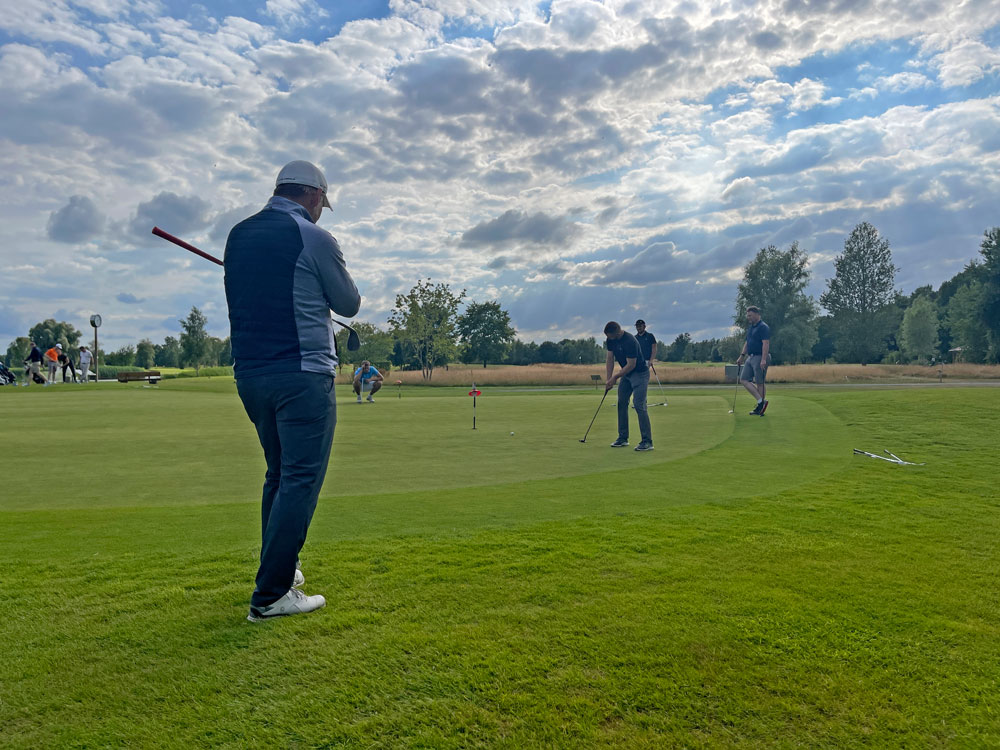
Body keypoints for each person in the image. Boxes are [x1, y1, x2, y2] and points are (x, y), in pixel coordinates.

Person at [224, 160, 361, 623]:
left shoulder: (238, 235)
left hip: (251, 376)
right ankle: (271, 594)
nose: (322, 210)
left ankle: (282, 569)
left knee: (278, 475)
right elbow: (349, 303)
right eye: (323, 203)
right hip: (303, 374)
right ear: (315, 196)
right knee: (300, 479)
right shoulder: (315, 237)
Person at [604, 321, 653, 451]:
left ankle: (647, 441)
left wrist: (615, 377)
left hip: (640, 373)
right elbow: (610, 359)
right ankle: (623, 438)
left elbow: (631, 364)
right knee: (621, 402)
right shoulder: (610, 340)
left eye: (610, 336)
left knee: (639, 404)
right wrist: (608, 379)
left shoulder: (630, 341)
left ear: (617, 332)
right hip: (626, 375)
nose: (609, 339)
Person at [736, 305, 771, 415]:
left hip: (760, 357)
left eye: (750, 315)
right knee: (743, 379)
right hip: (750, 357)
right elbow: (747, 343)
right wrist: (742, 355)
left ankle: (760, 407)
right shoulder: (751, 328)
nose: (748, 317)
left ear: (757, 314)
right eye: (747, 315)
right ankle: (761, 402)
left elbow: (765, 344)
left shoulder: (763, 327)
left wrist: (763, 359)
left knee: (760, 382)